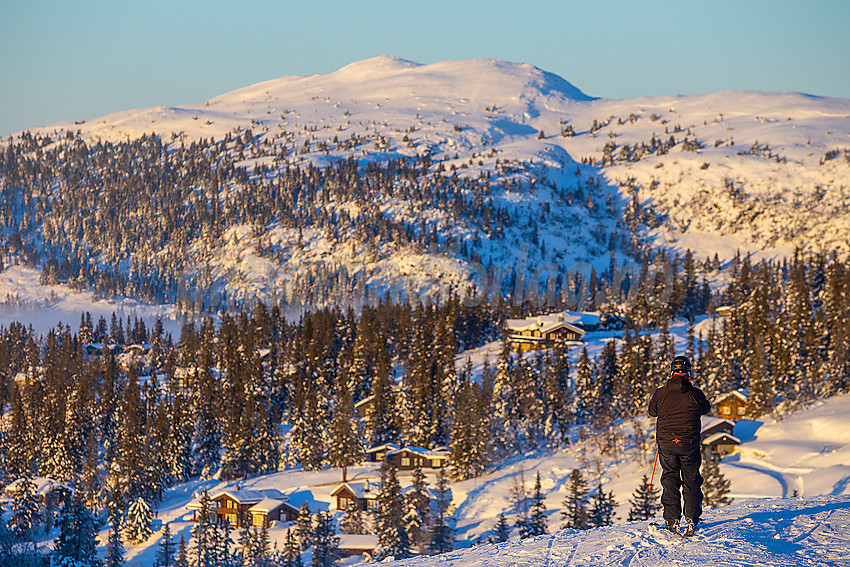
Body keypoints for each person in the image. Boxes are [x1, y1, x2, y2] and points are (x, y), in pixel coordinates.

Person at [648, 355, 711, 535]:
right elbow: (706, 409)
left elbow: (652, 412)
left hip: (667, 443)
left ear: (672, 371)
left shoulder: (660, 393)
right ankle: (692, 519)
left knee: (670, 479)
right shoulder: (696, 394)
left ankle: (671, 520)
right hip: (689, 445)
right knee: (691, 481)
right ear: (688, 372)